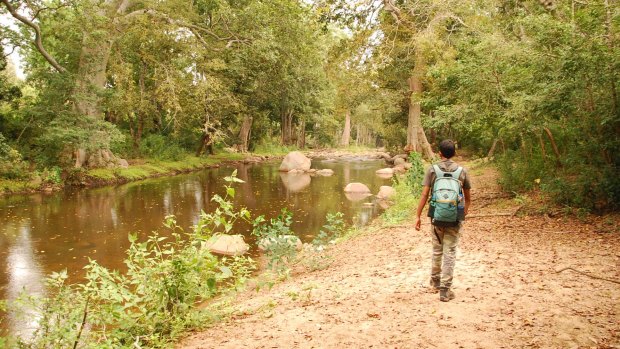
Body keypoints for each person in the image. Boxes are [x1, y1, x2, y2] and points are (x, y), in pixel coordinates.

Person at [415, 139, 472, 302]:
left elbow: (425, 195)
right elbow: (468, 198)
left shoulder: (432, 170)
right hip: (454, 217)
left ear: (439, 153)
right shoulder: (462, 171)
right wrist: (463, 214)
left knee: (437, 249)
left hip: (436, 216)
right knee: (450, 252)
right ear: (454, 153)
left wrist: (418, 216)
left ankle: (435, 281)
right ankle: (445, 290)